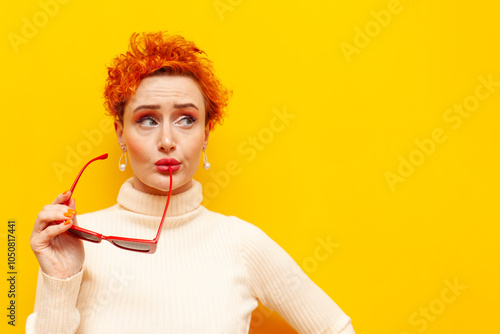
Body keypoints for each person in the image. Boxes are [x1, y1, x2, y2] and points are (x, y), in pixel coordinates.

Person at [27, 31, 355, 334]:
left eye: (186, 119)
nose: (167, 140)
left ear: (206, 134)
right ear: (120, 133)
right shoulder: (76, 243)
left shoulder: (240, 243)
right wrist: (60, 277)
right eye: (147, 119)